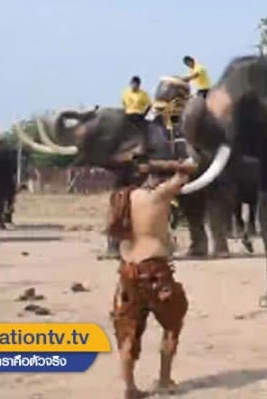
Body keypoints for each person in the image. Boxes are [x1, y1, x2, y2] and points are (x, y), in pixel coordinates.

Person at [107, 161, 196, 399]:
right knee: (172, 324)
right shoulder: (160, 195)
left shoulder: (125, 197)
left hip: (127, 271)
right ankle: (165, 380)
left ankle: (130, 386)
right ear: (160, 178)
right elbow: (188, 171)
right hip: (155, 271)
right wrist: (176, 164)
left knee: (128, 329)